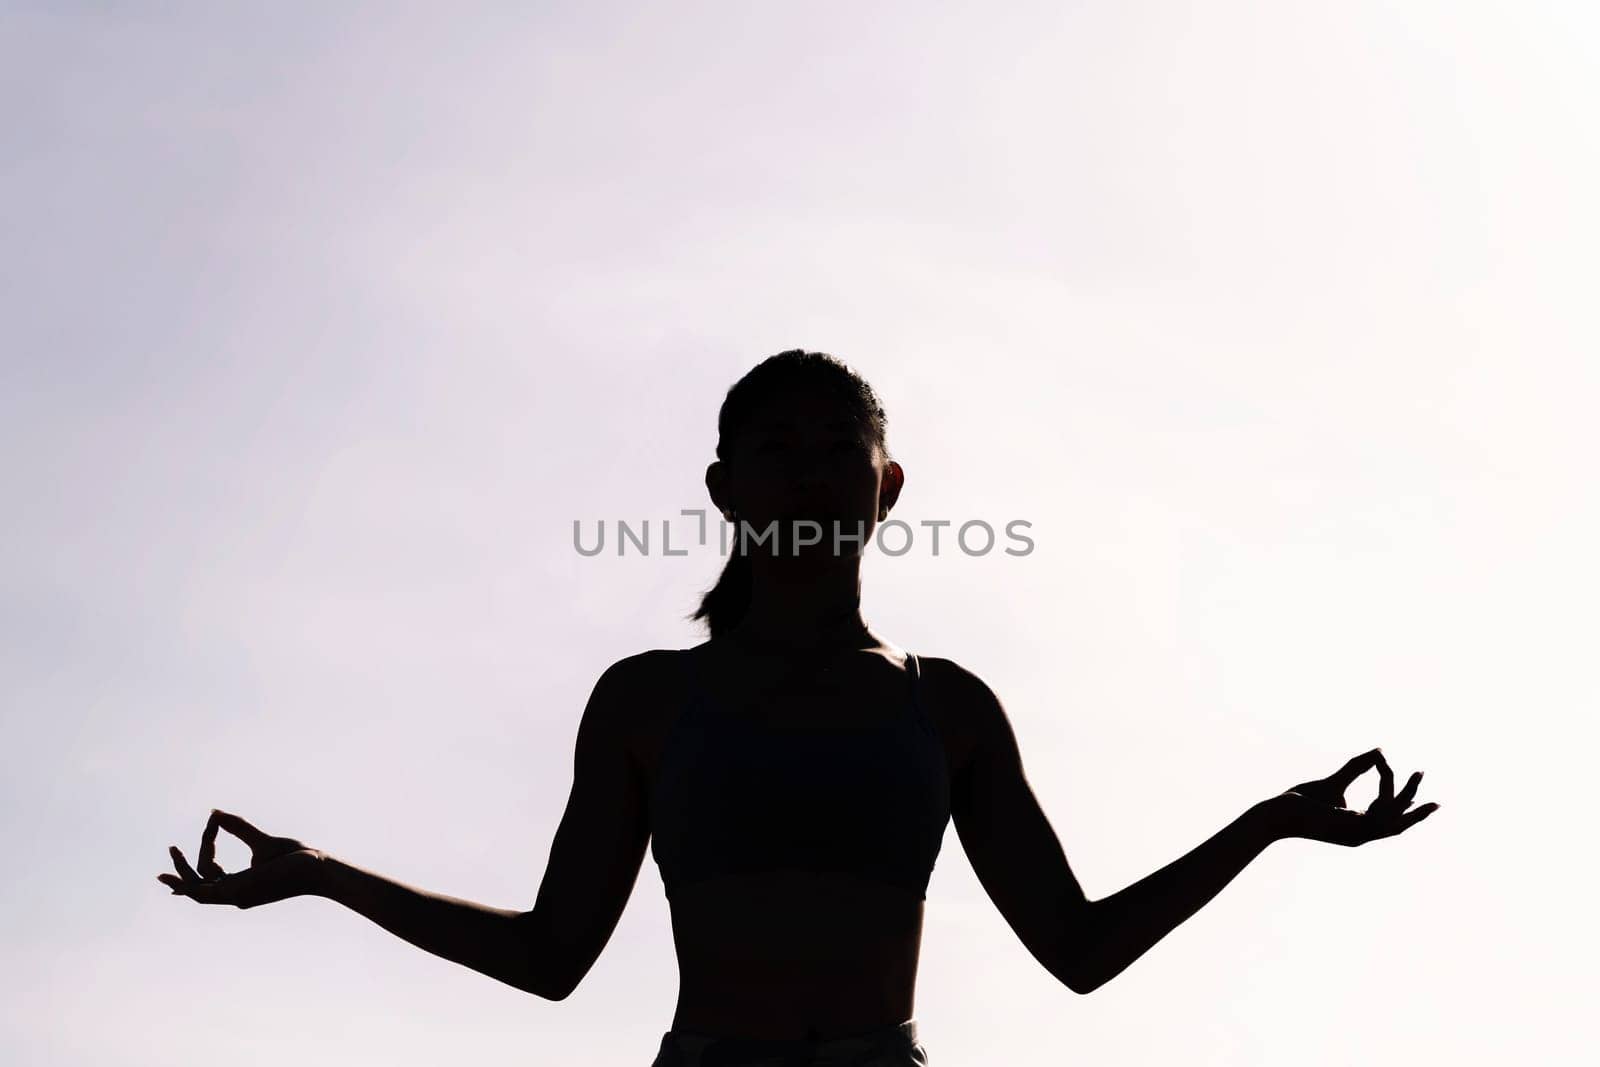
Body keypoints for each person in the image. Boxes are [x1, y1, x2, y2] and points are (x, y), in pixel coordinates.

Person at [158, 350, 1439, 1066]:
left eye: (836, 447)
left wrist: (1267, 823)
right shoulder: (648, 701)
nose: (808, 472)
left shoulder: (949, 710)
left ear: (885, 484)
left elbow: (1078, 947)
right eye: (776, 449)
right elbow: (553, 957)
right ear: (724, 486)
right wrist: (323, 874)